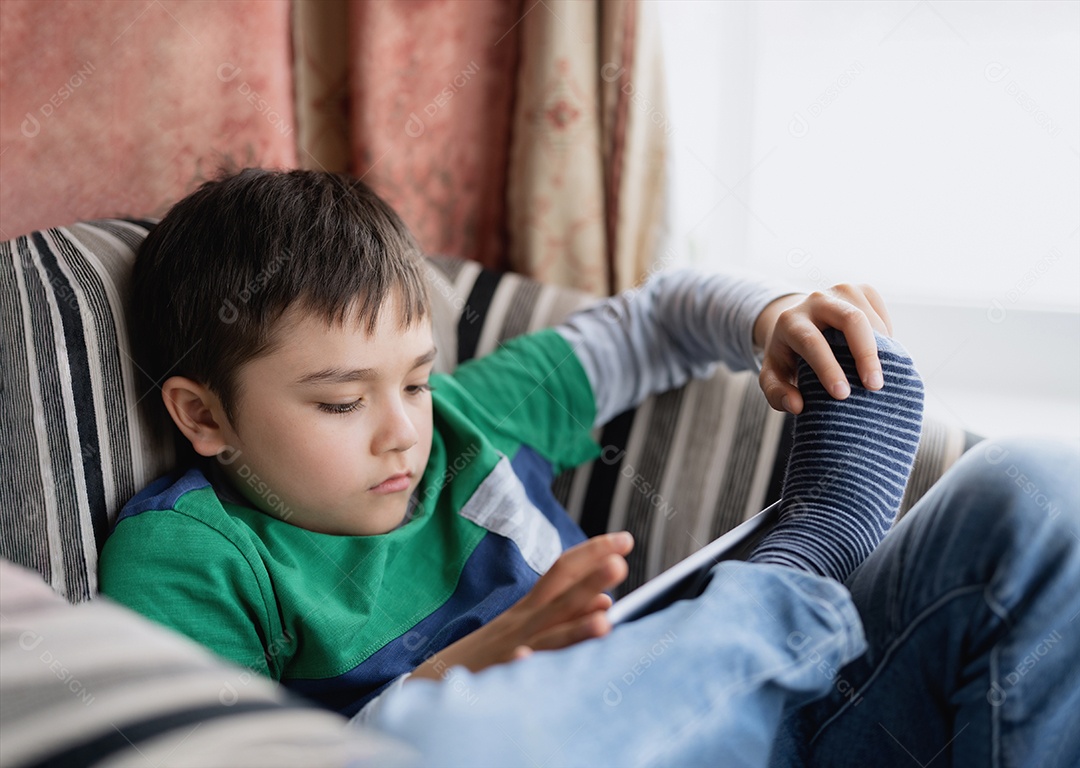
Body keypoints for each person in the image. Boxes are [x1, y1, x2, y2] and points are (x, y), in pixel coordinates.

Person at [98, 169, 1079, 766]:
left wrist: (772, 318)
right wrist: (463, 674)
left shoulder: (461, 422)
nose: (403, 431)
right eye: (342, 402)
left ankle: (790, 576)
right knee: (466, 745)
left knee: (1042, 490)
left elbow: (657, 318)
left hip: (758, 723)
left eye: (415, 377)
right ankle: (809, 550)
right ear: (203, 414)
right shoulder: (190, 550)